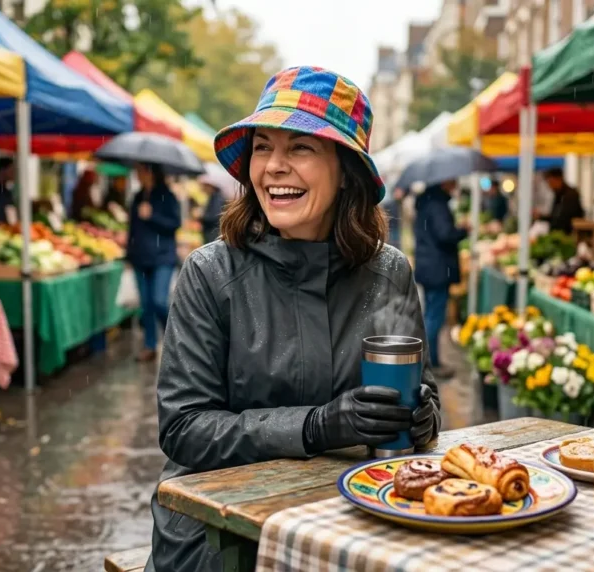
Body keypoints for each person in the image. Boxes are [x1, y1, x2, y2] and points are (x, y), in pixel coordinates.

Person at [146, 66, 441, 572]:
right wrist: (315, 426)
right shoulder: (209, 273)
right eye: (263, 147)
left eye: (300, 148)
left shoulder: (388, 272)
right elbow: (185, 428)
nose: (274, 167)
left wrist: (420, 416)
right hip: (219, 539)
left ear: (345, 170)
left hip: (348, 521)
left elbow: (424, 397)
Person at [127, 162, 181, 363]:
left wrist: (152, 216)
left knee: (159, 301)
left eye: (140, 170)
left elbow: (175, 224)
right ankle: (149, 346)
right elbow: (132, 229)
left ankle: (176, 340)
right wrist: (128, 255)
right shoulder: (138, 197)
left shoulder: (167, 195)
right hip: (140, 258)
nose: (137, 174)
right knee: (146, 305)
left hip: (162, 257)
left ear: (150, 172)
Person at [414, 180, 467, 380]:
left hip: (429, 266)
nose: (455, 183)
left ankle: (428, 362)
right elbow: (445, 234)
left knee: (431, 314)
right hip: (437, 268)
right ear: (444, 182)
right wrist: (462, 230)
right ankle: (429, 363)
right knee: (434, 317)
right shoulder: (437, 204)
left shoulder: (426, 201)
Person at [542, 167, 584, 234]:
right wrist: (541, 217)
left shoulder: (570, 195)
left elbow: (564, 219)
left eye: (550, 181)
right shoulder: (558, 194)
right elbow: (554, 216)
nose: (549, 185)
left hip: (568, 235)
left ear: (558, 179)